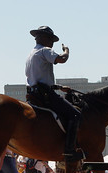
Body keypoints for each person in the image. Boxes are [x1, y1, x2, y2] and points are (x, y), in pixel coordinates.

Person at [25, 26, 82, 162]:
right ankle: (69, 151)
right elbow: (62, 59)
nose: (52, 44)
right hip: (45, 95)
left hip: (34, 93)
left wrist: (59, 87)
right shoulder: (45, 50)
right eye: (51, 40)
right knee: (75, 115)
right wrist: (66, 50)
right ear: (44, 38)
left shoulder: (32, 54)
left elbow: (38, 79)